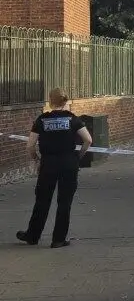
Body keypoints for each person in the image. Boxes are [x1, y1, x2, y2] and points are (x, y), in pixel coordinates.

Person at [17, 88, 92, 248]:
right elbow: (88, 140)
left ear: (50, 101)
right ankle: (58, 239)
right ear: (65, 101)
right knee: (65, 201)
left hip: (48, 163)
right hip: (68, 163)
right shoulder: (73, 119)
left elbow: (30, 145)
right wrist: (78, 156)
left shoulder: (41, 120)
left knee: (42, 200)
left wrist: (36, 159)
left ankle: (32, 235)